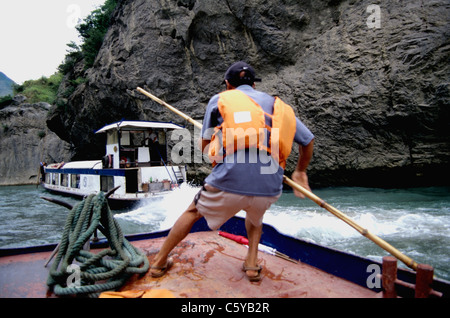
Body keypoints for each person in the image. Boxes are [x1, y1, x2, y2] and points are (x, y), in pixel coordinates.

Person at [150, 61, 315, 282]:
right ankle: (251, 264)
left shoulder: (219, 100)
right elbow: (308, 140)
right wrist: (300, 171)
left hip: (230, 180)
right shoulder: (279, 107)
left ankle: (159, 262)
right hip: (270, 186)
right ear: (254, 85)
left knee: (192, 211)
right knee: (255, 214)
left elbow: (205, 146)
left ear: (228, 85)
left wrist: (220, 147)